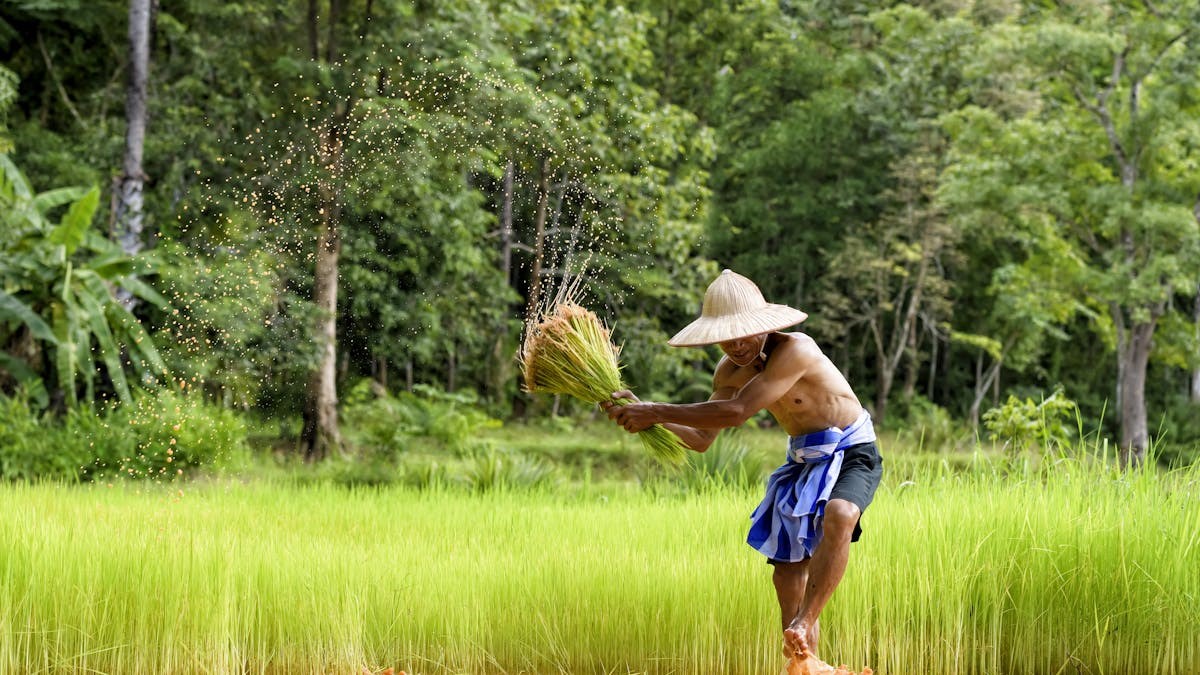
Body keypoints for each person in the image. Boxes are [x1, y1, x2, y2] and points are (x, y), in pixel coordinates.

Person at [602, 269, 883, 664]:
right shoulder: (729, 372)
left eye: (744, 333)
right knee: (786, 577)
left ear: (763, 327)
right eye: (725, 336)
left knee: (841, 514)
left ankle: (806, 621)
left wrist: (653, 410)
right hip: (803, 461)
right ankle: (803, 662)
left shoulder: (797, 349)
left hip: (852, 450)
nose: (736, 344)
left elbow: (736, 412)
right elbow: (702, 439)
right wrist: (649, 415)